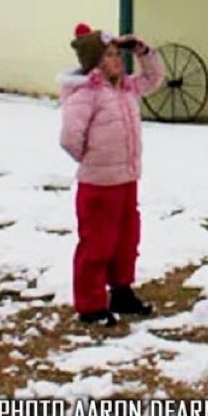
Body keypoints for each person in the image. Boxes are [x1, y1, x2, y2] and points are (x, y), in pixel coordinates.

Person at [59, 23, 165, 326]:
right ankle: (90, 304)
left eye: (119, 54)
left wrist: (142, 51)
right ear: (94, 62)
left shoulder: (126, 88)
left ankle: (121, 291)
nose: (117, 60)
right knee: (97, 243)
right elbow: (70, 138)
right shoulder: (86, 94)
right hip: (99, 183)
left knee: (125, 239)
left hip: (127, 178)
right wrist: (94, 159)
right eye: (109, 55)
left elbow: (154, 77)